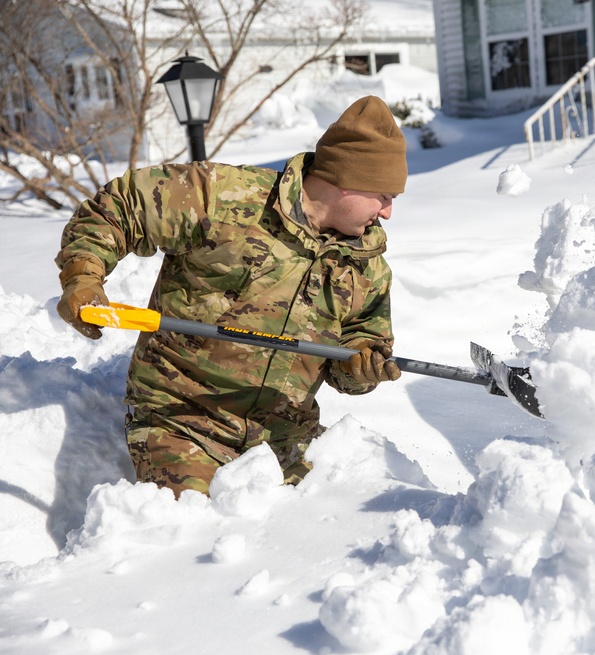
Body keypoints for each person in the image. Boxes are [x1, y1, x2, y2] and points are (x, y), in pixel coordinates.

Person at [55, 95, 405, 497]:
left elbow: (362, 346)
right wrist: (83, 277)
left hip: (286, 441)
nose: (388, 212)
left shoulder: (366, 265)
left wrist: (361, 368)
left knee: (341, 516)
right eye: (384, 195)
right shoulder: (224, 197)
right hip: (184, 421)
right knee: (196, 526)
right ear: (346, 181)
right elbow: (119, 208)